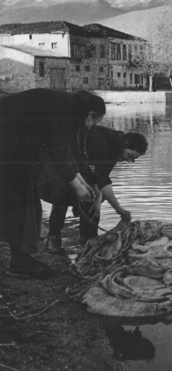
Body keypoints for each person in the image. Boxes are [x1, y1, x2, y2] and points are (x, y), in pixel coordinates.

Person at [0, 89, 106, 278]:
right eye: (95, 121)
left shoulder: (69, 105)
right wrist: (76, 186)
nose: (92, 127)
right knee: (19, 204)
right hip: (9, 149)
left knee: (26, 203)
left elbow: (67, 151)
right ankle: (19, 262)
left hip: (15, 148)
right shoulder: (67, 110)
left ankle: (21, 258)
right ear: (90, 114)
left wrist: (83, 182)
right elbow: (58, 152)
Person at [45, 126, 148, 253]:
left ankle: (87, 242)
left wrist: (98, 198)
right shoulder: (103, 142)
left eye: (132, 159)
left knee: (93, 199)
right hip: (63, 165)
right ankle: (53, 239)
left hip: (81, 170)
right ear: (126, 145)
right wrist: (119, 209)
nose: (129, 160)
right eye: (130, 156)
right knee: (62, 195)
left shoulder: (117, 149)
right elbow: (97, 175)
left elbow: (101, 178)